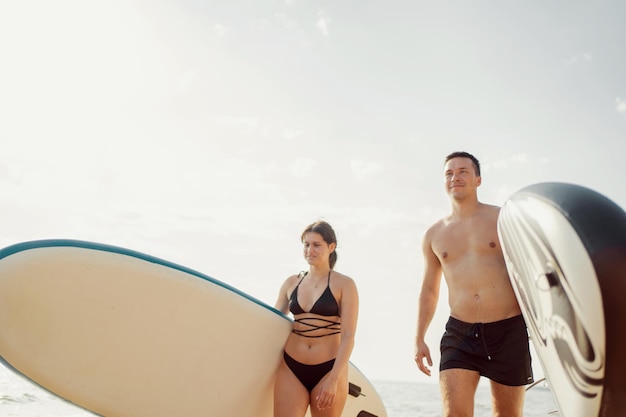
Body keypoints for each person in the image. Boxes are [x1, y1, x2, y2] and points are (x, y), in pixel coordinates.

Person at [414, 151, 533, 417]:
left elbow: (529, 270)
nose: (455, 177)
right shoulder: (434, 235)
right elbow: (429, 291)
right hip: (460, 334)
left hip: (507, 329)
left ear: (478, 179)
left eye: (462, 172)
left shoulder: (502, 219)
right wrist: (419, 337)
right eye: (449, 173)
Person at [274, 220, 359, 417]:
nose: (310, 250)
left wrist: (334, 379)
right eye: (306, 244)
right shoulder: (291, 282)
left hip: (328, 369)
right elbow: (273, 320)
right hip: (291, 366)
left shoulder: (344, 284)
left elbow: (348, 335)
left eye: (316, 245)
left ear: (331, 247)